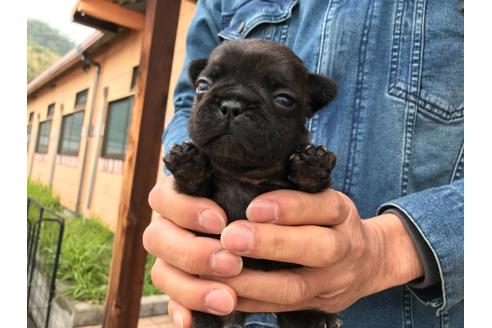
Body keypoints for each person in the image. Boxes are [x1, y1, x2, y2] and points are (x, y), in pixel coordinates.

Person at [143, 0, 464, 327]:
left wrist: (392, 249)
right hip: (216, 282)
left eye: (281, 99)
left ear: (309, 106)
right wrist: (184, 173)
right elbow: (185, 106)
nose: (230, 108)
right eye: (206, 86)